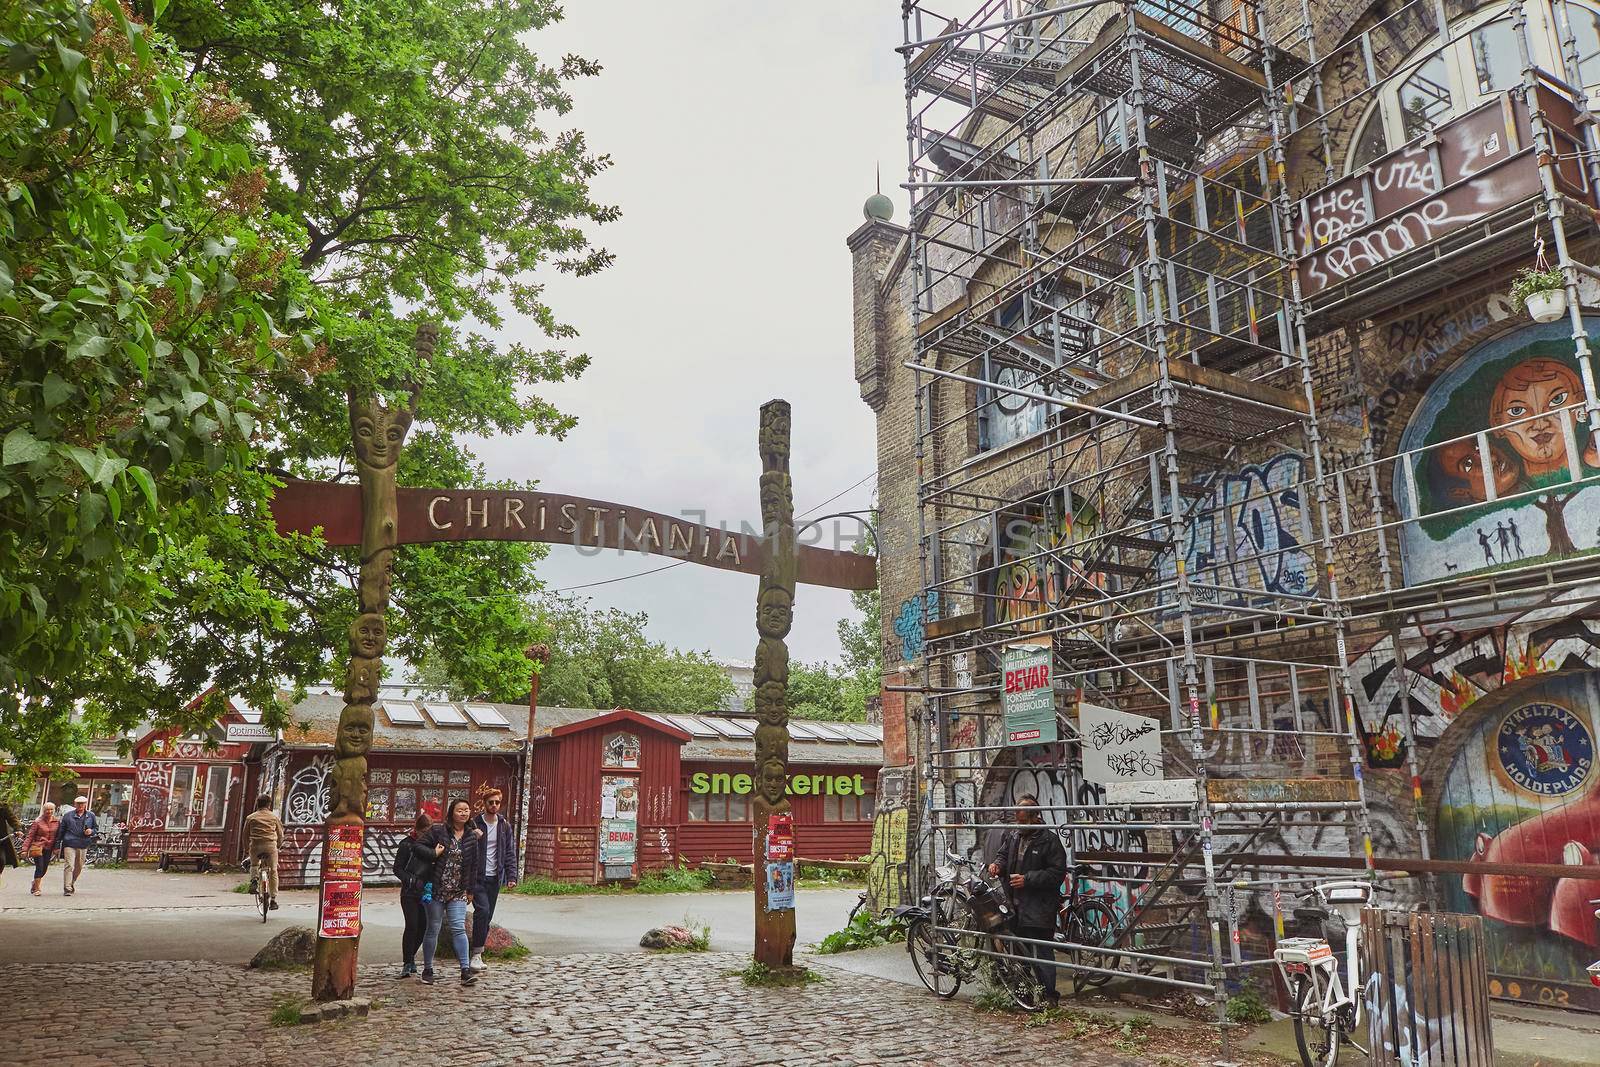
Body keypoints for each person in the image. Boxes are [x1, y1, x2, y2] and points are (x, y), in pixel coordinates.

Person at [989, 794, 1067, 1006]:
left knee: (1041, 954)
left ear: (1035, 817)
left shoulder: (1049, 840)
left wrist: (1028, 880)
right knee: (1018, 955)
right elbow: (1003, 855)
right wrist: (997, 865)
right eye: (1017, 820)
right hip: (1015, 907)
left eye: (1022, 820)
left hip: (1039, 908)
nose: (1018, 824)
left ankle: (1049, 997)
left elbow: (1057, 873)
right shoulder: (1014, 835)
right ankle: (1023, 996)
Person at [418, 797, 482, 985]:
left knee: (458, 928)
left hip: (458, 891)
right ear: (452, 813)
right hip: (437, 888)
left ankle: (465, 970)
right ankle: (428, 969)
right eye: (459, 810)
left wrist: (470, 890)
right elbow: (418, 846)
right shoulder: (439, 831)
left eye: (466, 810)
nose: (463, 813)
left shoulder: (471, 836)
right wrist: (433, 854)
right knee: (433, 928)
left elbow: (474, 865)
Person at [468, 788, 517, 972]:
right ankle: (476, 955)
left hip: (495, 877)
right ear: (484, 803)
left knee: (487, 916)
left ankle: (478, 953)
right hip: (477, 877)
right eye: (491, 802)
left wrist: (511, 876)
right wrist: (473, 836)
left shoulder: (504, 825)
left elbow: (509, 851)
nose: (494, 805)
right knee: (482, 910)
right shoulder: (475, 824)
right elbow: (465, 847)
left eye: (497, 802)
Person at [392, 812, 435, 979]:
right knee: (412, 925)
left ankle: (411, 956)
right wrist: (409, 879)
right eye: (423, 832)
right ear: (417, 830)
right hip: (410, 892)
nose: (426, 835)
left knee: (424, 926)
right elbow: (397, 868)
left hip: (427, 891)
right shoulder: (407, 844)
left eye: (428, 832)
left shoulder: (433, 845)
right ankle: (407, 961)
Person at [242, 794, 285, 910]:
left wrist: (247, 849)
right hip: (270, 846)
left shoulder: (250, 817)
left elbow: (245, 836)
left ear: (257, 804)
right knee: (273, 871)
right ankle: (273, 900)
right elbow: (280, 835)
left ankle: (254, 881)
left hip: (255, 846)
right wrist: (278, 846)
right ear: (269, 805)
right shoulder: (273, 817)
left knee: (254, 864)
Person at [54, 795, 97, 896]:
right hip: (70, 842)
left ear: (85, 804)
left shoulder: (91, 815)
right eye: (78, 804)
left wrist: (91, 831)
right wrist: (57, 844)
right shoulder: (68, 815)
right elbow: (61, 830)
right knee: (69, 865)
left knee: (79, 866)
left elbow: (95, 828)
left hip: (83, 843)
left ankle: (72, 882)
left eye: (82, 804)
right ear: (75, 804)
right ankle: (67, 888)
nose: (80, 805)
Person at [21, 803, 59, 897]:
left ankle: (34, 882)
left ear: (53, 810)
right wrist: (24, 849)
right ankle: (37, 888)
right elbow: (30, 836)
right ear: (43, 810)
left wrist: (56, 847)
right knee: (39, 867)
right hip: (38, 847)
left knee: (44, 868)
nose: (49, 811)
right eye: (47, 810)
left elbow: (58, 836)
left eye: (51, 809)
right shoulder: (38, 821)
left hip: (49, 848)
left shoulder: (57, 822)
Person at [0, 799, 20, 891]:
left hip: (1, 840)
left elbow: (13, 819)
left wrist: (17, 829)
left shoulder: (3, 807)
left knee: (1, 860)